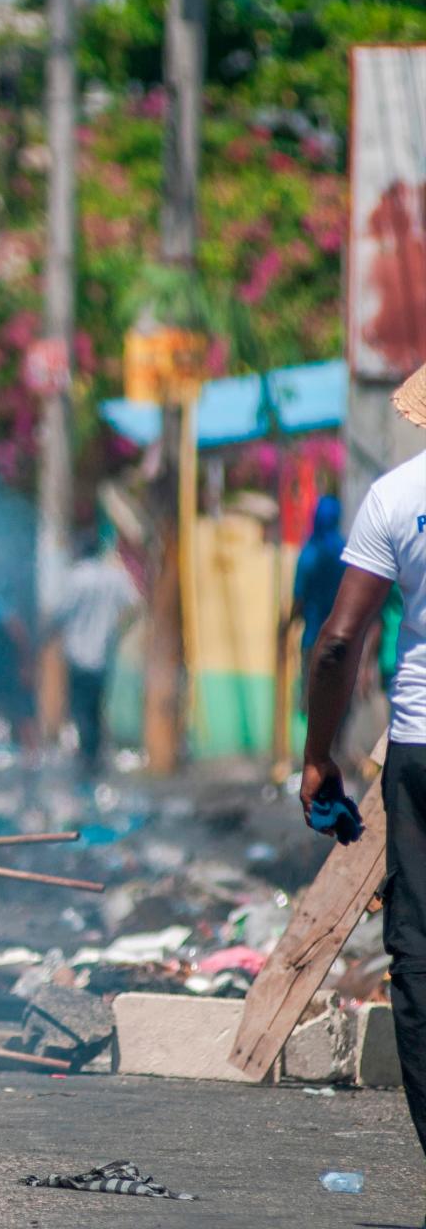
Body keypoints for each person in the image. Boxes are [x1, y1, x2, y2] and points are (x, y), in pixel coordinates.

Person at [300, 377, 426, 1180]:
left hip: (419, 750)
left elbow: (339, 641)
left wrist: (320, 756)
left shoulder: (396, 496)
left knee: (417, 957)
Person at [56, 533, 139, 780]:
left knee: (80, 710)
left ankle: (86, 762)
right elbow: (135, 605)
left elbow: (59, 613)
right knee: (97, 706)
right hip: (103, 654)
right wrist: (116, 629)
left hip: (77, 655)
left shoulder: (74, 578)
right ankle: (94, 760)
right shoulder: (114, 577)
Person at [290, 494, 349, 678]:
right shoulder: (347, 555)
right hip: (341, 642)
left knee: (312, 699)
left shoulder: (308, 553)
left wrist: (288, 624)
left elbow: (299, 600)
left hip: (313, 639)